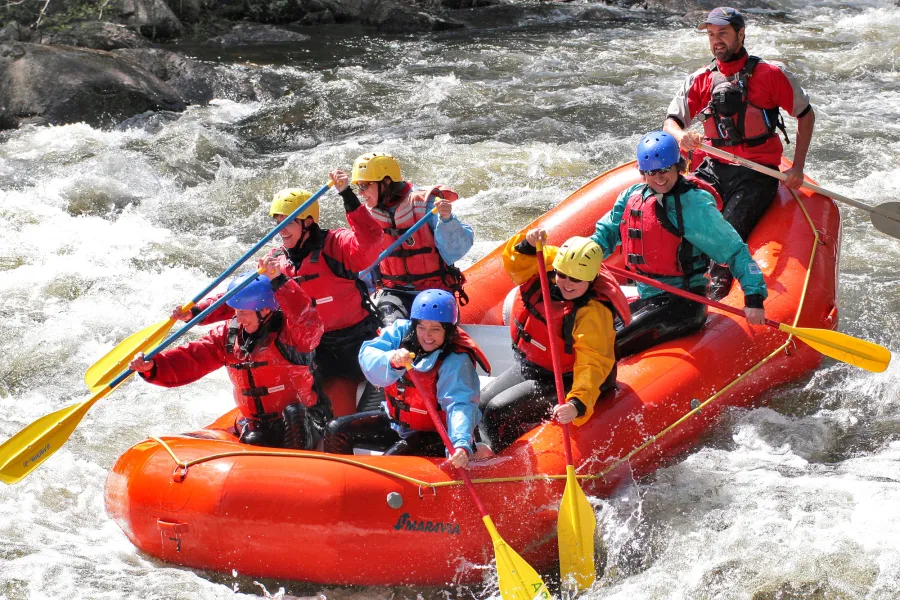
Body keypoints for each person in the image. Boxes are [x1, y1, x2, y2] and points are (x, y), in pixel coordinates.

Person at [663, 6, 815, 299]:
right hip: (714, 167)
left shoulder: (771, 74)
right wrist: (682, 136)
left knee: (725, 232)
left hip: (756, 172)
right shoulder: (701, 79)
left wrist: (797, 167)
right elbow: (671, 122)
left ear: (740, 34)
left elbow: (805, 115)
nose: (716, 40)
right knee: (675, 214)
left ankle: (715, 296)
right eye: (711, 35)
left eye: (723, 33)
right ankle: (673, 283)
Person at [174, 174, 383, 384]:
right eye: (277, 222)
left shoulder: (337, 245)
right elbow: (246, 299)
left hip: (356, 339)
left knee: (376, 383)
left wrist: (347, 195)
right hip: (313, 347)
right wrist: (197, 312)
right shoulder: (276, 262)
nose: (280, 229)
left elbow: (371, 242)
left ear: (308, 222)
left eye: (288, 222)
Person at [591, 131, 768, 358]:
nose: (659, 178)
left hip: (684, 302)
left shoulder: (692, 204)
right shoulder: (632, 196)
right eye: (651, 172)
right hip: (647, 296)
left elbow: (734, 250)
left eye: (665, 170)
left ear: (678, 166)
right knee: (589, 330)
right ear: (643, 173)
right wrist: (579, 258)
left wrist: (753, 297)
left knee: (605, 344)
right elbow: (604, 234)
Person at [129, 260, 329, 450]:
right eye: (236, 312)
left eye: (244, 313)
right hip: (258, 425)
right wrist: (154, 367)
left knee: (294, 417)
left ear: (266, 309)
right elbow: (194, 357)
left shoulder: (291, 333)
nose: (239, 319)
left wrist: (280, 282)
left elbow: (306, 318)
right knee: (255, 438)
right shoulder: (229, 335)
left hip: (306, 419)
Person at [478, 231, 630, 453]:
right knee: (481, 404)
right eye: (562, 275)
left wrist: (577, 403)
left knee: (497, 411)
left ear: (591, 279)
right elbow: (517, 263)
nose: (567, 283)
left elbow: (593, 363)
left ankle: (501, 463)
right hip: (534, 367)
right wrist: (527, 245)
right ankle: (493, 449)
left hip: (568, 378)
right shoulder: (546, 266)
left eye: (576, 280)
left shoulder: (593, 313)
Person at [324, 289, 490, 467]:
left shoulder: (455, 360)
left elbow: (460, 404)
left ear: (448, 331)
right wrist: (391, 360)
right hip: (397, 424)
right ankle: (343, 480)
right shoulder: (400, 333)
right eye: (422, 327)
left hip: (435, 434)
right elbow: (368, 355)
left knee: (388, 467)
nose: (427, 336)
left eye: (435, 329)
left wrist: (460, 444)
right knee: (336, 429)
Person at [350, 152, 474, 326]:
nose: (361, 193)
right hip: (393, 292)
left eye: (364, 186)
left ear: (386, 182)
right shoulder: (370, 214)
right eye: (359, 187)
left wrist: (447, 221)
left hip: (434, 291)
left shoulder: (427, 204)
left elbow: (456, 250)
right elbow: (365, 263)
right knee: (390, 327)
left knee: (429, 329)